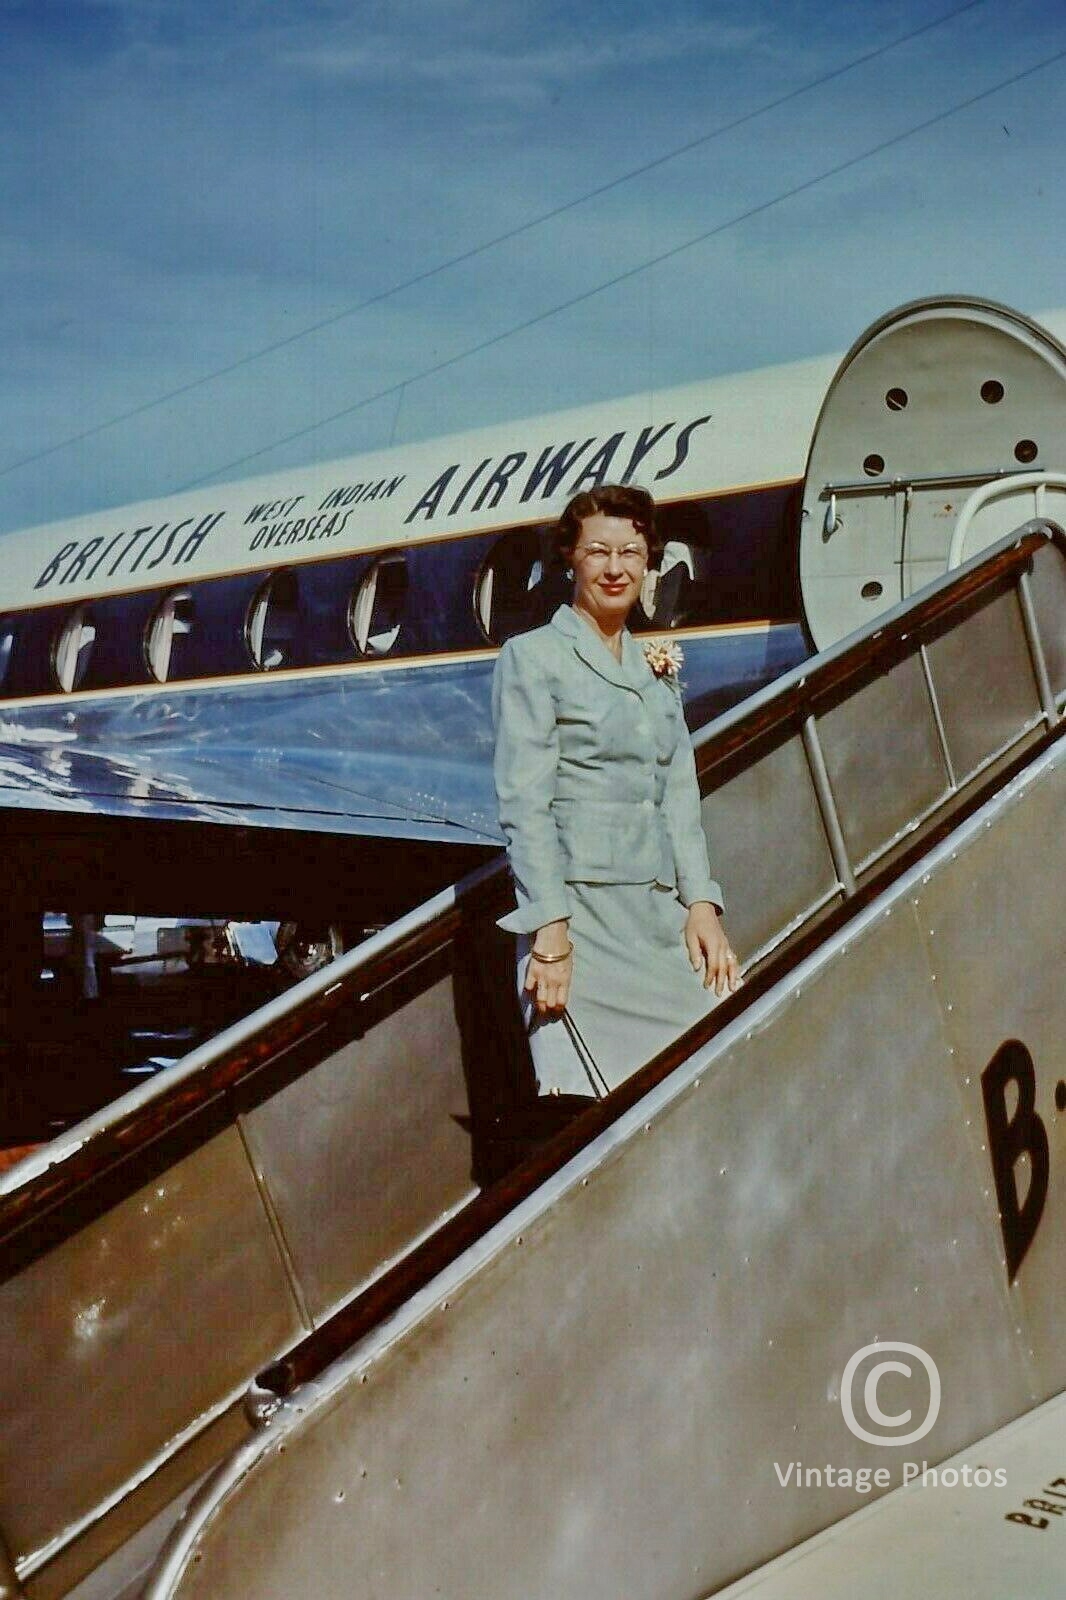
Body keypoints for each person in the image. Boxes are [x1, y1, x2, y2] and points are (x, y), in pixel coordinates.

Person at [491, 483, 741, 1098]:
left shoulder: (653, 669)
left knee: (723, 1037)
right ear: (570, 559)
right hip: (581, 918)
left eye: (631, 552)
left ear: (649, 562)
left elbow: (677, 797)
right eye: (598, 551)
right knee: (604, 1103)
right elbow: (525, 804)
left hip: (657, 915)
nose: (615, 568)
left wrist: (701, 904)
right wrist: (549, 933)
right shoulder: (533, 657)